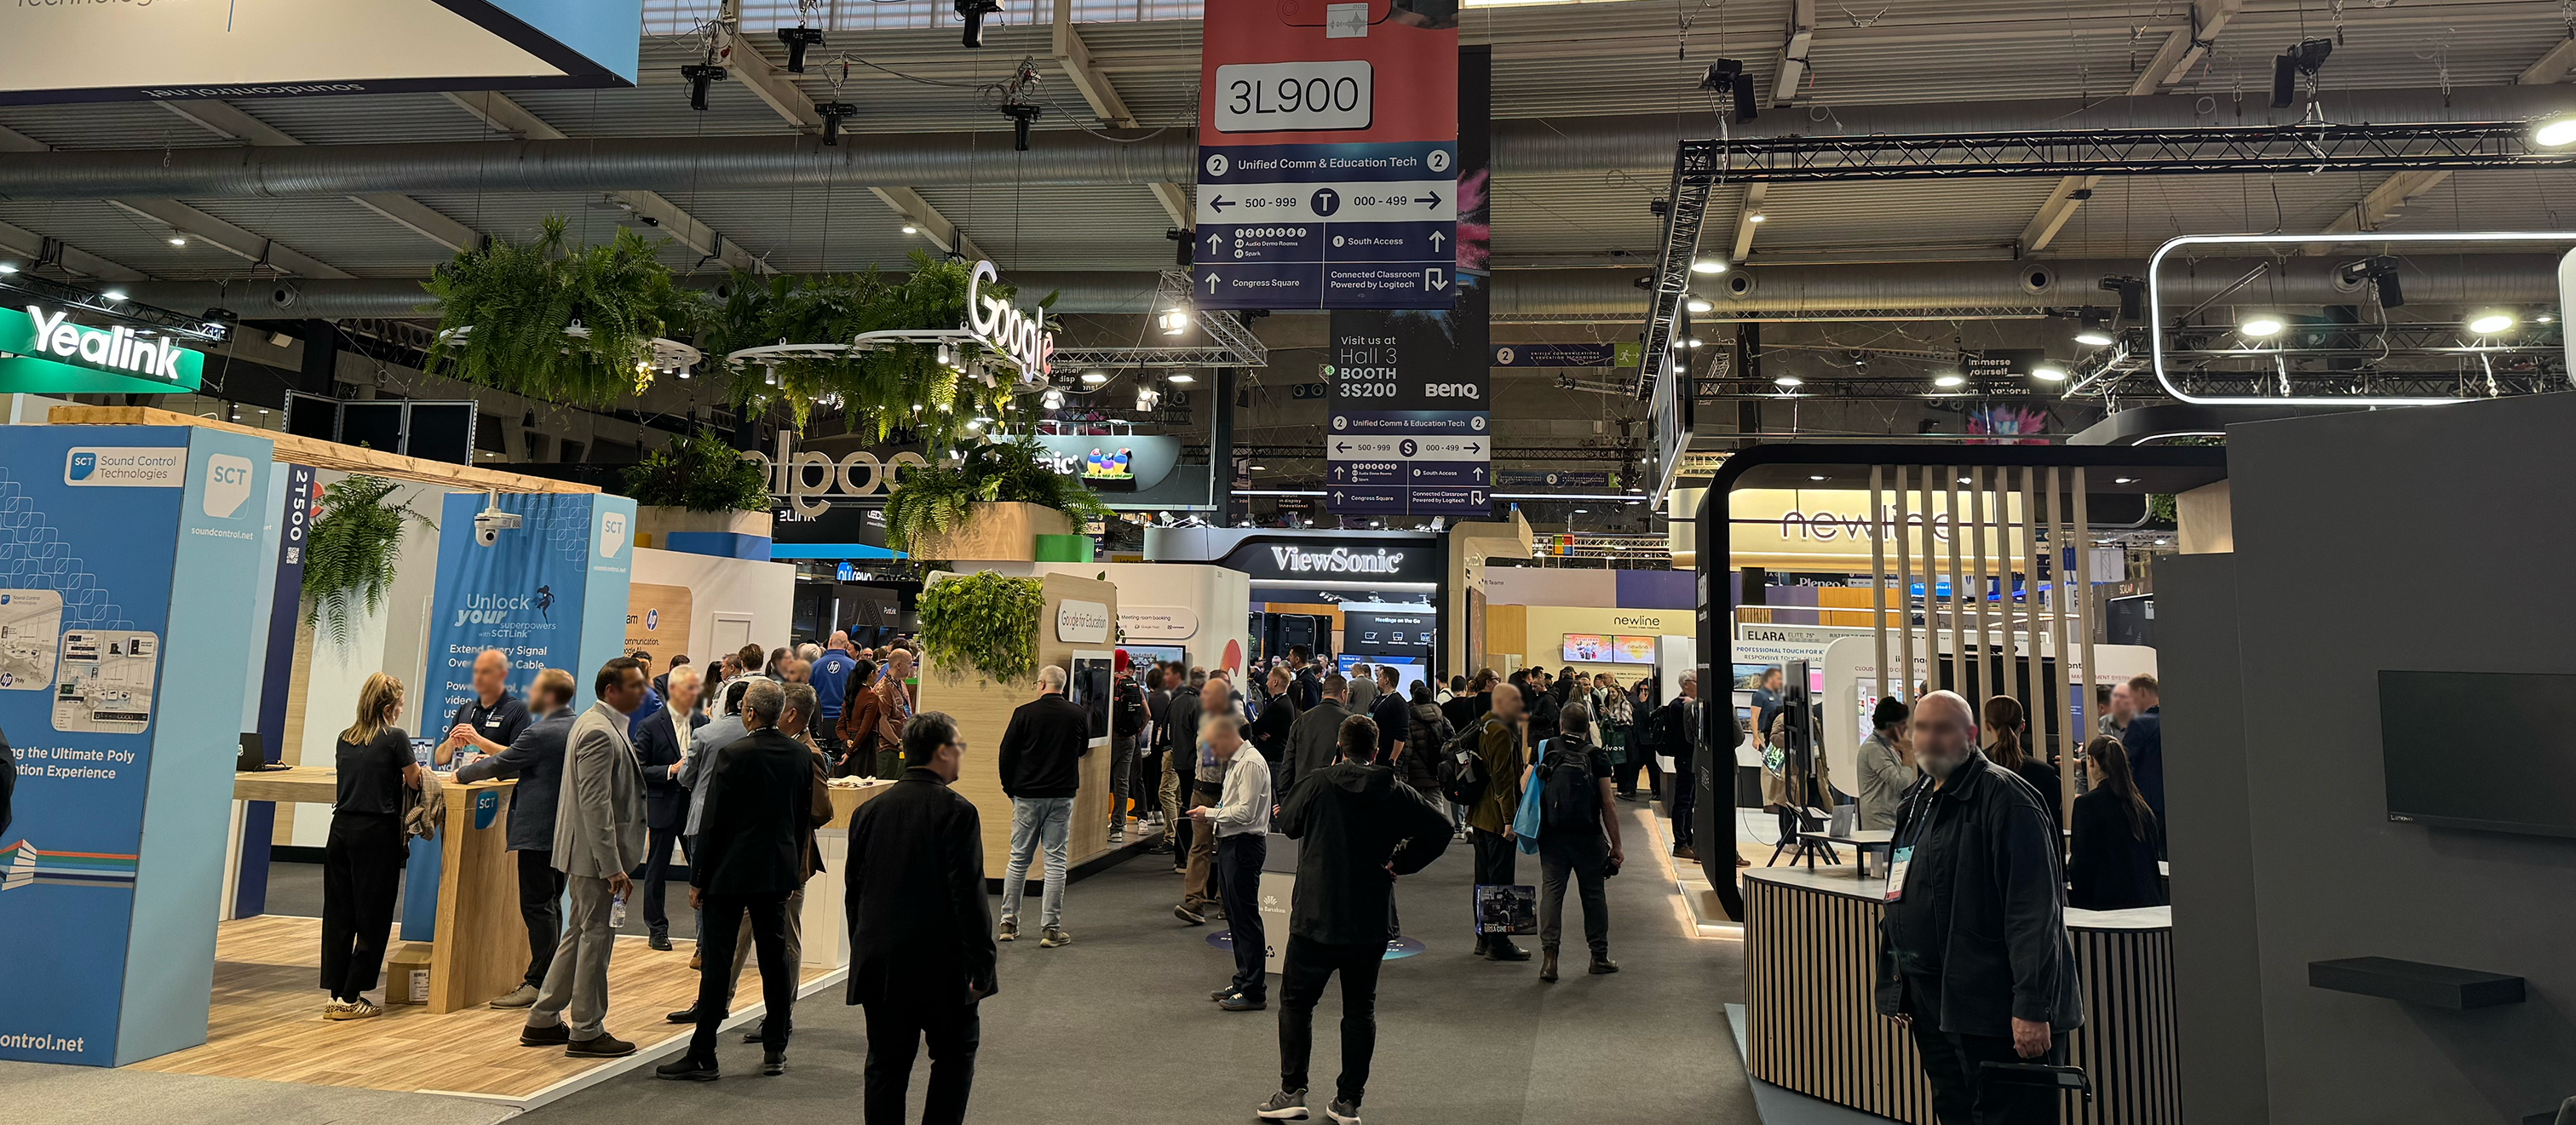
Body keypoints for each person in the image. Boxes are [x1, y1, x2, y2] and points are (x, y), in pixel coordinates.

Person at [1876, 691, 2083, 1125]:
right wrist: (1899, 982)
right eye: (1922, 728)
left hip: (1994, 1008)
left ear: (1970, 735)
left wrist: (2031, 1006)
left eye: (1943, 729)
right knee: (1954, 1111)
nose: (1930, 739)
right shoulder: (1917, 800)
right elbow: (1899, 890)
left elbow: (2034, 912)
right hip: (1935, 1002)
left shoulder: (2008, 800)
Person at [1256, 712, 1453, 1125]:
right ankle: (1348, 1101)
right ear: (1377, 750)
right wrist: (1403, 862)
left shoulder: (1317, 783)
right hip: (1368, 917)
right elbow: (1441, 828)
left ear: (1340, 750)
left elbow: (1287, 824)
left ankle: (1292, 1090)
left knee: (1295, 1003)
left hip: (1315, 913)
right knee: (1360, 1009)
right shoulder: (1395, 790)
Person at [655, 680, 818, 1082]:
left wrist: (697, 878)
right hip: (776, 873)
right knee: (774, 961)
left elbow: (713, 823)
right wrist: (791, 866)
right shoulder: (801, 756)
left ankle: (703, 1054)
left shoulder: (733, 754)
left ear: (748, 712)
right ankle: (776, 1048)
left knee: (718, 963)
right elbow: (801, 820)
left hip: (728, 874)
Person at [846, 712, 995, 1125]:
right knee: (953, 1058)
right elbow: (968, 896)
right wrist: (981, 965)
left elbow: (854, 894)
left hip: (881, 963)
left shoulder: (869, 811)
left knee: (885, 1065)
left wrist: (863, 951)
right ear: (942, 753)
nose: (961, 755)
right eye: (959, 747)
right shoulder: (958, 812)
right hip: (942, 965)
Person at [520, 657, 649, 1059]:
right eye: (635, 686)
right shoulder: (597, 730)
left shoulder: (601, 725)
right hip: (595, 860)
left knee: (578, 933)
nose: (643, 693)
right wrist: (612, 866)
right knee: (595, 940)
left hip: (589, 857)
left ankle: (542, 1020)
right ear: (611, 690)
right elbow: (596, 806)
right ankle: (587, 1030)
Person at [456, 669, 578, 1004]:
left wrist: (460, 775)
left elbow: (501, 763)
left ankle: (537, 981)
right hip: (564, 832)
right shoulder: (577, 725)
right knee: (551, 904)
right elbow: (527, 766)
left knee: (537, 907)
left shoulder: (540, 732)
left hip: (537, 833)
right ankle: (550, 976)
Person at [318, 673, 420, 1019]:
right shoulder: (395, 738)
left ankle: (335, 993)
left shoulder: (344, 737)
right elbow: (414, 779)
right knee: (373, 915)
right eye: (401, 706)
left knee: (339, 913)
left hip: (340, 830)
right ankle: (352, 995)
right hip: (376, 833)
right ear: (390, 708)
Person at [996, 665, 1089, 948]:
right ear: (1062, 686)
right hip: (1061, 794)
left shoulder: (1024, 713)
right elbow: (1082, 749)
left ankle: (1008, 923)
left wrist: (1010, 789)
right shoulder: (1077, 714)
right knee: (1056, 861)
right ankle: (1051, 928)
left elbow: (1006, 753)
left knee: (1019, 859)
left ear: (1041, 684)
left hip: (1026, 795)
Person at [1531, 701, 1621, 982]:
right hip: (1588, 836)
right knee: (1593, 895)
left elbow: (1529, 786)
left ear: (1561, 725)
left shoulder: (1546, 747)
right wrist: (1616, 845)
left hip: (1553, 835)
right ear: (1586, 728)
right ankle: (1598, 956)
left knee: (1552, 893)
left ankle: (1549, 960)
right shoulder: (1597, 755)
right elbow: (1608, 803)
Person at [1193, 715, 1273, 1011]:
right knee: (1236, 919)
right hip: (1232, 844)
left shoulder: (1250, 763)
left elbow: (1247, 813)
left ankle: (1254, 990)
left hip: (1244, 845)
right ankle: (1244, 980)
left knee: (1246, 919)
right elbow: (1234, 805)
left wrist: (1210, 814)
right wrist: (1215, 811)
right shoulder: (1238, 762)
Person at [635, 665, 708, 950]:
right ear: (675, 691)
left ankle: (704, 936)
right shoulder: (651, 726)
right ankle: (657, 929)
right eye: (690, 688)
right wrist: (669, 770)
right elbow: (639, 769)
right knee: (656, 869)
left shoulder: (703, 723)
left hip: (694, 809)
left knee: (701, 871)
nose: (695, 693)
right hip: (664, 807)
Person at [1465, 682, 1532, 961]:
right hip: (1496, 817)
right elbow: (1503, 778)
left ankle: (1483, 937)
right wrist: (1509, 820)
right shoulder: (1501, 732)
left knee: (1483, 879)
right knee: (1501, 880)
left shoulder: (1482, 725)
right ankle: (1499, 942)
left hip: (1480, 813)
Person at [2069, 736, 2165, 911]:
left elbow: (2082, 862)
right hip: (2146, 904)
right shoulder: (2141, 807)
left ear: (2091, 762)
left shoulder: (2087, 804)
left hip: (2106, 905)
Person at [1176, 670, 1238, 924]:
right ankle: (1194, 901)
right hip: (1200, 791)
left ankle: (1226, 901)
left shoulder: (1237, 723)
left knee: (1226, 848)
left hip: (1225, 794)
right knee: (1199, 847)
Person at [436, 648, 531, 767]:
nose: (479, 677)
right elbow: (440, 759)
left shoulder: (518, 710)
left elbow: (518, 757)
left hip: (497, 785)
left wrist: (477, 740)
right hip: (463, 781)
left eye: (486, 672)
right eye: (476, 672)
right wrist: (453, 739)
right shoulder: (466, 709)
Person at [1982, 695, 2061, 832]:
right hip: (2031, 850)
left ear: (1987, 726)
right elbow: (2052, 829)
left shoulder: (1972, 768)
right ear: (2023, 725)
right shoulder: (2044, 772)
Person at [840, 647, 915, 778]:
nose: (912, 667)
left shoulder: (901, 684)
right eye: (910, 663)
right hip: (887, 749)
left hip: (899, 747)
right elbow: (882, 721)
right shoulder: (882, 689)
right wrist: (898, 743)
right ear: (899, 665)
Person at [1282, 672, 1352, 808]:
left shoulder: (1301, 720)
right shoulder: (1350, 722)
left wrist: (1284, 800)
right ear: (1344, 694)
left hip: (1302, 797)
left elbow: (1288, 762)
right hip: (1336, 799)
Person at [1160, 665, 1203, 872]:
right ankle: (1185, 855)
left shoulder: (1176, 702)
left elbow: (1165, 732)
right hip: (1193, 764)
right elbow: (1201, 738)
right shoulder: (1198, 705)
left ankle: (1180, 854)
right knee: (1190, 807)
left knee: (1184, 805)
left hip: (1178, 761)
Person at [1659, 673, 1705, 862]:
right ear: (1687, 685)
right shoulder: (1679, 706)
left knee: (1689, 800)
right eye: (1696, 681)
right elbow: (1687, 734)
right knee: (1683, 800)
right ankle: (1680, 843)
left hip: (1690, 759)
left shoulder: (1688, 704)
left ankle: (1688, 837)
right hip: (1685, 758)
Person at [1854, 696, 1918, 832]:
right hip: (1881, 822)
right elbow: (1900, 783)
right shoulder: (1874, 749)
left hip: (1893, 817)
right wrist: (1907, 753)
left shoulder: (1887, 745)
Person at [1245, 664, 1300, 804]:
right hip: (1276, 757)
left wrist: (1257, 731)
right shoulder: (1283, 702)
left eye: (1269, 679)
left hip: (1273, 760)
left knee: (1271, 803)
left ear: (1275, 682)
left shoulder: (1278, 706)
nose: (1266, 683)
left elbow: (1256, 728)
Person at [2123, 674, 2165, 834]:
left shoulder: (2140, 723)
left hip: (2147, 805)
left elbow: (2126, 763)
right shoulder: (2176, 721)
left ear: (2141, 692)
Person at [1399, 680, 1450, 802]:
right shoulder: (1442, 719)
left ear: (1414, 699)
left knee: (1415, 809)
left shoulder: (1409, 721)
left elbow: (1407, 750)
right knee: (1437, 806)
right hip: (1436, 771)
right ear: (1430, 699)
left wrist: (1403, 772)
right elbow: (1451, 741)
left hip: (1415, 773)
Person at [812, 634, 856, 769]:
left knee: (819, 764)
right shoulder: (853, 666)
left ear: (829, 642)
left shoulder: (814, 666)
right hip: (843, 723)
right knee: (840, 766)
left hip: (820, 722)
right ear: (847, 645)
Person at [1617, 677, 1661, 801]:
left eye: (1646, 690)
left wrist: (1642, 704)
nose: (1643, 692)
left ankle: (1656, 791)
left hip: (1649, 741)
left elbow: (1648, 717)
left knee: (1652, 767)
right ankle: (1630, 790)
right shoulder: (1637, 701)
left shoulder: (1652, 702)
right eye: (1641, 689)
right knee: (1633, 765)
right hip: (1639, 739)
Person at [1368, 666, 1410, 765]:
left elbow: (1401, 734)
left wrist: (1392, 759)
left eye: (1380, 676)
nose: (1377, 678)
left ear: (1386, 680)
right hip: (1373, 753)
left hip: (1386, 756)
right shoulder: (1378, 699)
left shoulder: (1398, 703)